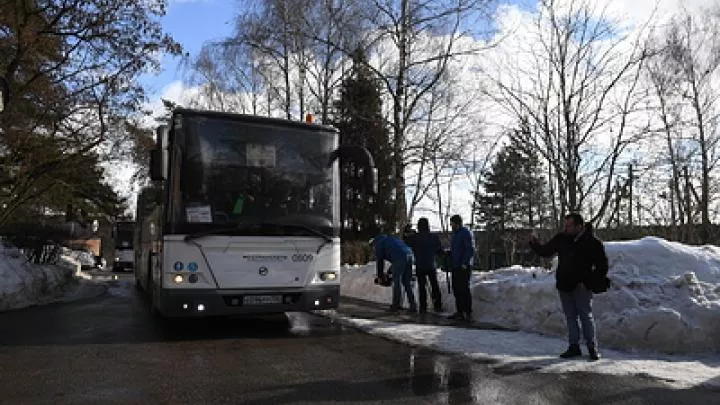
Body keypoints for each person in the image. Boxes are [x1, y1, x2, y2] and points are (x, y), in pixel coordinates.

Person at [528, 213, 609, 362]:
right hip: (564, 283)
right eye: (565, 225)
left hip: (582, 285)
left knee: (586, 315)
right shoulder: (561, 239)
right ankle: (574, 346)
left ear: (579, 226)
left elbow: (602, 266)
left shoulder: (592, 242)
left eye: (569, 225)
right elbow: (545, 251)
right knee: (570, 316)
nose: (566, 228)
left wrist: (590, 281)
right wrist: (534, 242)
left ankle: (592, 347)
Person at [370, 233, 417, 312]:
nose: (373, 249)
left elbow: (380, 262)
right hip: (410, 255)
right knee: (406, 282)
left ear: (373, 243)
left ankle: (396, 305)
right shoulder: (390, 239)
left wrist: (380, 276)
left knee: (396, 281)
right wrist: (389, 271)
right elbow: (396, 255)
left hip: (400, 257)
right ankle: (413, 306)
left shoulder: (378, 243)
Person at [408, 217, 444, 313]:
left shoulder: (415, 237)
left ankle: (423, 306)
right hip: (431, 264)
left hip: (420, 265)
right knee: (434, 285)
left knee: (422, 287)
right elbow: (439, 250)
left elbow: (408, 245)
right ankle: (438, 305)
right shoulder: (434, 237)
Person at [448, 214, 474, 321]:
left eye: (452, 223)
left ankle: (467, 312)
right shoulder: (455, 234)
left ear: (457, 223)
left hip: (463, 266)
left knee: (464, 289)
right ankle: (459, 311)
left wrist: (465, 262)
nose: (451, 225)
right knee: (456, 289)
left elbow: (469, 249)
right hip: (455, 265)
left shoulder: (465, 233)